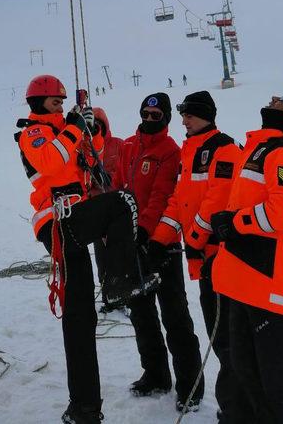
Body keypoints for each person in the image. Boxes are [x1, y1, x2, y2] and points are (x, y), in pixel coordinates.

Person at [16, 75, 140, 424]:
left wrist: (93, 127)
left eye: (62, 102)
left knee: (80, 317)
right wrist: (72, 127)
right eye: (55, 102)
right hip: (57, 220)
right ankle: (117, 283)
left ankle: (84, 407)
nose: (60, 105)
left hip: (74, 220)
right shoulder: (33, 133)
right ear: (39, 103)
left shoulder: (65, 132)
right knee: (122, 203)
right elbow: (50, 163)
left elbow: (93, 156)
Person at [211, 94, 283, 423]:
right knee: (249, 377)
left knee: (282, 383)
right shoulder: (259, 152)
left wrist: (232, 224)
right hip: (246, 282)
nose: (274, 99)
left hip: (271, 287)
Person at [148, 91, 248, 420]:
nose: (184, 120)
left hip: (221, 257)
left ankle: (240, 409)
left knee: (229, 342)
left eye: (189, 114)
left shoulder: (225, 149)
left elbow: (217, 200)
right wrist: (159, 240)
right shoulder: (191, 152)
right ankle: (237, 408)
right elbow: (179, 201)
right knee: (219, 337)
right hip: (203, 259)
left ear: (206, 114)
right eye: (183, 114)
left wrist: (193, 238)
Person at [115, 94, 203, 410]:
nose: (150, 118)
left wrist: (146, 232)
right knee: (141, 313)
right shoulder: (128, 146)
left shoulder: (171, 153)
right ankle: (155, 374)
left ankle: (190, 386)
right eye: (146, 113)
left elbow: (163, 195)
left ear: (166, 117)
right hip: (131, 244)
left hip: (162, 245)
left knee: (175, 315)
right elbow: (118, 187)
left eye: (157, 114)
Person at [89, 107, 123, 304]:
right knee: (102, 257)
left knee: (120, 254)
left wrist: (110, 177)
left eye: (99, 126)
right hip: (97, 211)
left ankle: (123, 294)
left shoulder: (118, 145)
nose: (96, 129)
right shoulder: (84, 148)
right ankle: (108, 297)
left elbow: (127, 171)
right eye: (93, 126)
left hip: (117, 210)